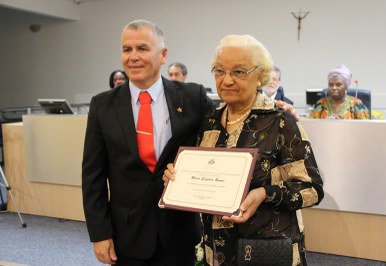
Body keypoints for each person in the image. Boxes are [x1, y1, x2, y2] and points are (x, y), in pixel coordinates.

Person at [163, 34, 324, 265]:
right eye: (219, 71)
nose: (226, 80)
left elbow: (312, 189)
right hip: (218, 249)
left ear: (259, 76)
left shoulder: (281, 122)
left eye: (238, 72)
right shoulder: (209, 122)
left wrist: (265, 194)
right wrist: (176, 180)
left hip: (266, 248)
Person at [82, 19, 213, 265]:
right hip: (127, 235)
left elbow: (225, 131)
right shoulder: (102, 106)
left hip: (181, 233)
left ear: (163, 55)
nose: (133, 57)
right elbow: (93, 176)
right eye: (126, 49)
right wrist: (100, 233)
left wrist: (272, 108)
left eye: (142, 48)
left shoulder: (193, 96)